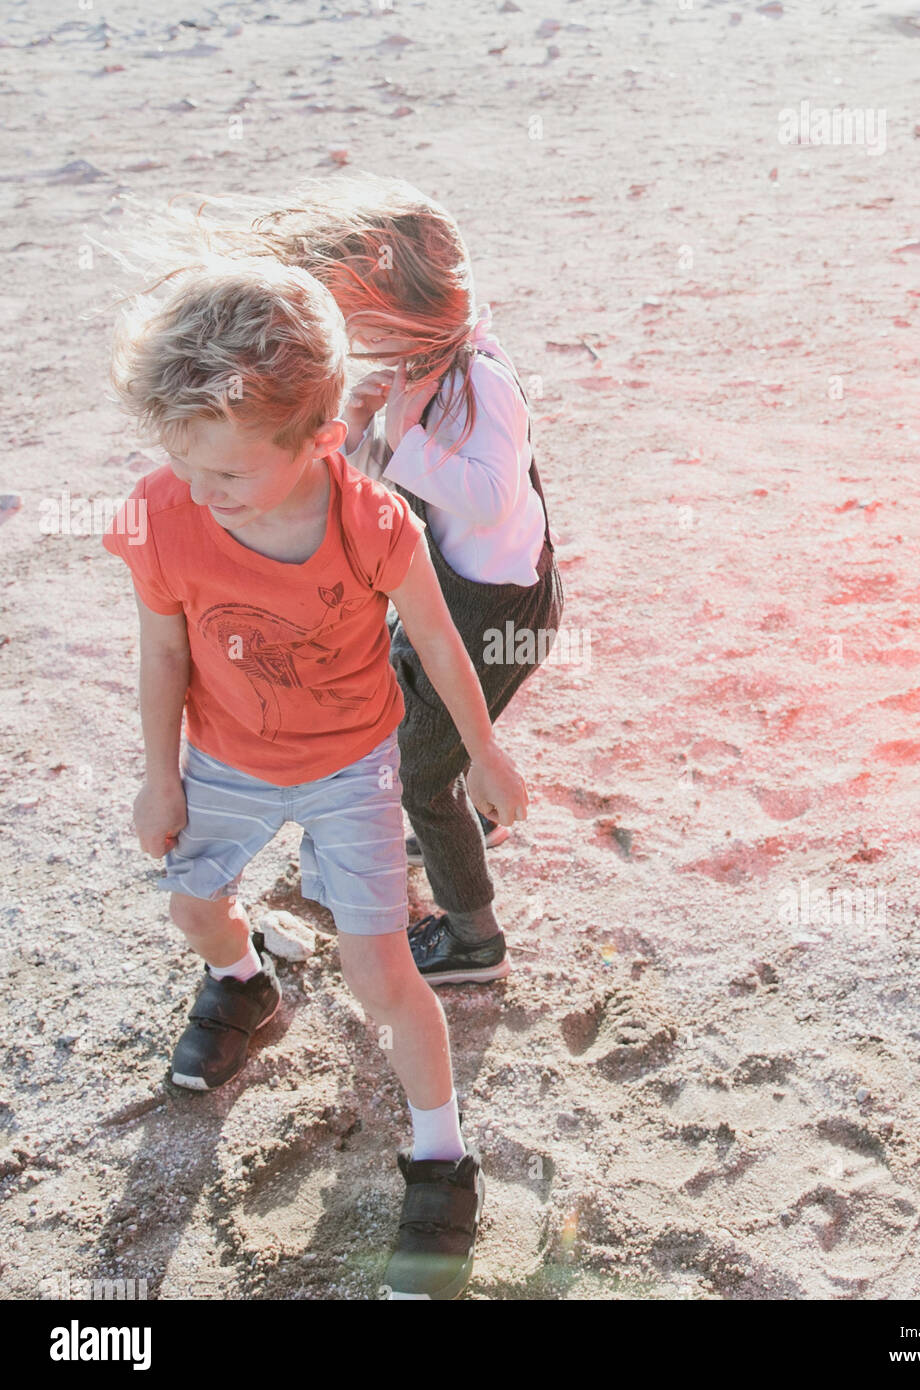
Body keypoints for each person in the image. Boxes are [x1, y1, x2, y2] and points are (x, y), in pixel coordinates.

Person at [101, 256, 524, 1299]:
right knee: (194, 910)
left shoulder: (373, 520)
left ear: (320, 439)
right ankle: (249, 979)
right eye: (183, 463)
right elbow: (161, 651)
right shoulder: (166, 513)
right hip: (226, 762)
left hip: (349, 768)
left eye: (230, 475)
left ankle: (438, 1154)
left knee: (386, 977)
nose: (202, 494)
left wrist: (484, 751)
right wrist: (162, 778)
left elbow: (436, 636)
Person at [247, 175, 565, 986]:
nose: (354, 337)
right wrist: (358, 432)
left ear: (404, 308)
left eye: (359, 317)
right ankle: (452, 810)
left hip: (497, 608)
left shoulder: (479, 378)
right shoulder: (424, 370)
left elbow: (491, 497)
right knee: (406, 712)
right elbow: (381, 479)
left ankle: (473, 939)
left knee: (421, 778)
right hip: (455, 590)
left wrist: (400, 435)